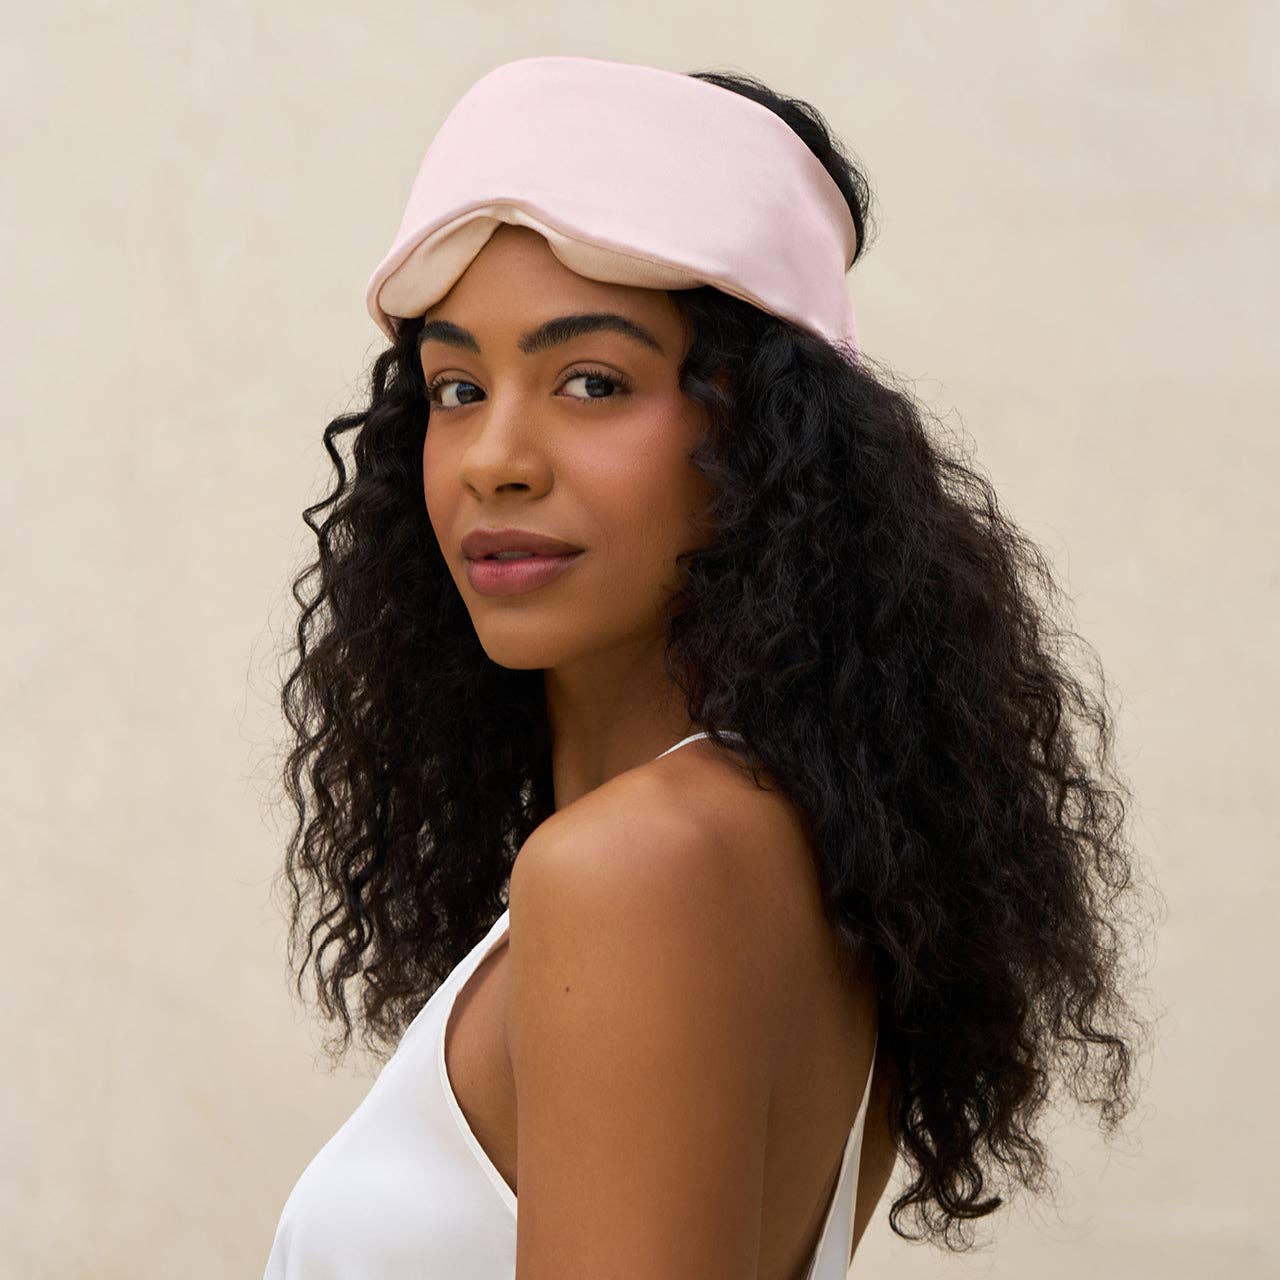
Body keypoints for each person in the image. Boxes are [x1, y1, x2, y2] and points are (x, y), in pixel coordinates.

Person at [263, 55, 1151, 1279]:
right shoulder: (791, 856)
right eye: (455, 387)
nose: (494, 458)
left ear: (765, 440)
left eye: (592, 381)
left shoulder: (635, 871)